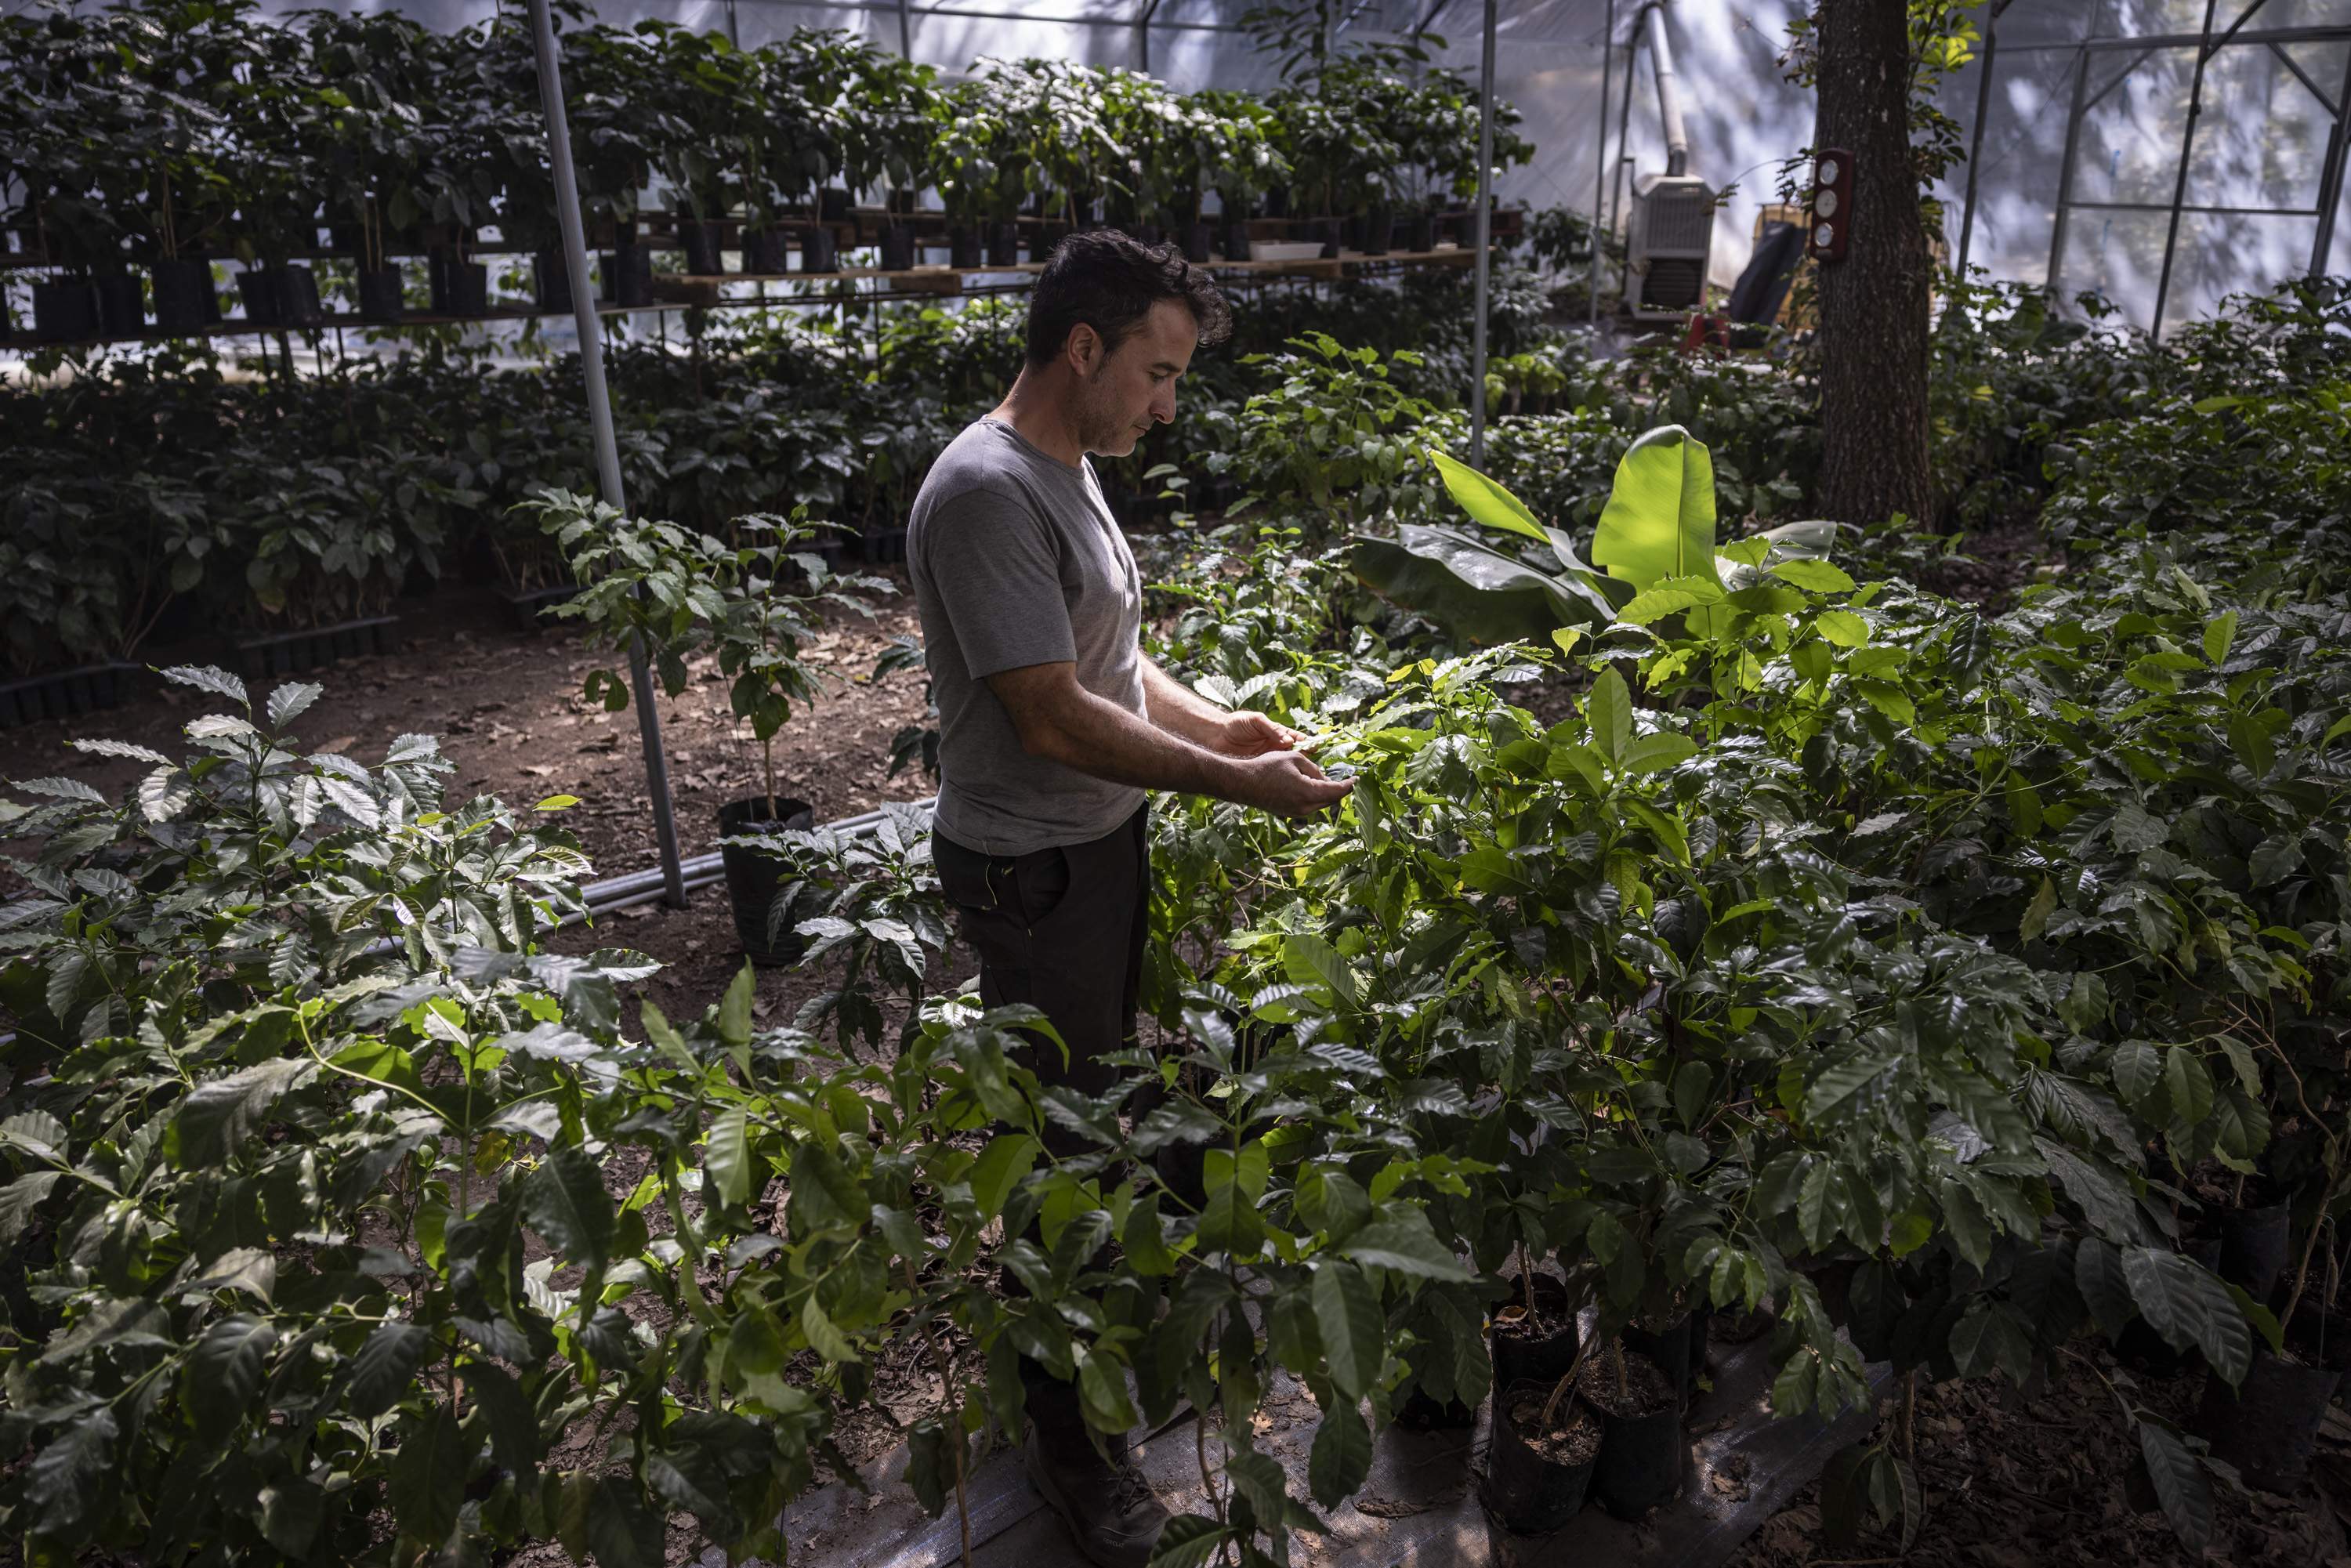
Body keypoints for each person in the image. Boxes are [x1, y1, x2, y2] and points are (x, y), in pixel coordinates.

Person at [907, 230, 1351, 1566]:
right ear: (1083, 350)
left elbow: (1110, 667)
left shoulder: (1069, 468)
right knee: (1062, 1163)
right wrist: (1242, 791)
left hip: (1093, 854)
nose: (1170, 404)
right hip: (1034, 871)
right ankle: (1072, 1452)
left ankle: (1081, 1368)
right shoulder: (988, 491)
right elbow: (1049, 717)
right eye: (1158, 373)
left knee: (1093, 1118)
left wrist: (1224, 734)